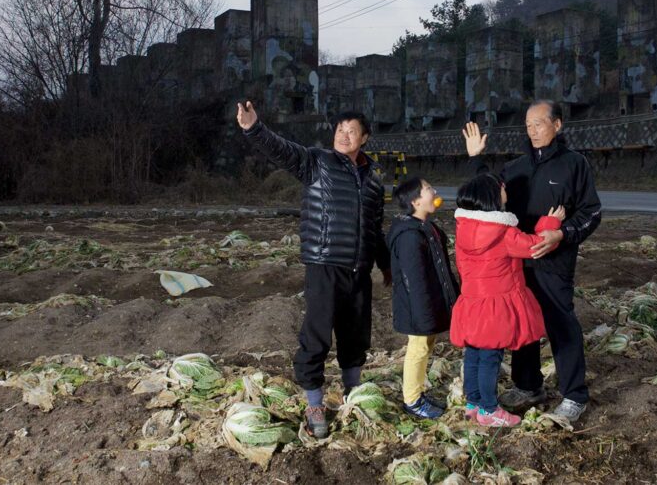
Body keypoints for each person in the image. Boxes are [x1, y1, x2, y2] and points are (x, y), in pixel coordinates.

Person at [236, 100, 391, 439]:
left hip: (359, 270)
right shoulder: (317, 162)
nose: (344, 136)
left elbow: (376, 229)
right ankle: (314, 403)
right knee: (317, 335)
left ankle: (353, 394)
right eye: (340, 130)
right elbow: (282, 150)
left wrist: (385, 265)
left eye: (352, 131)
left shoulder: (375, 182)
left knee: (356, 335)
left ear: (364, 138)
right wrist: (254, 128)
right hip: (324, 264)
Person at [462, 100, 602, 424]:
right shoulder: (517, 167)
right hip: (515, 262)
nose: (532, 130)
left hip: (554, 263)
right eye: (528, 125)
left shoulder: (574, 165)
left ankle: (574, 396)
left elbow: (591, 212)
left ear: (558, 125)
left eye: (539, 123)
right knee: (521, 326)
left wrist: (563, 234)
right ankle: (528, 386)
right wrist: (475, 158)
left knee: (560, 325)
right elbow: (486, 194)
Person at [450, 172, 565, 428]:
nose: (505, 187)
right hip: (494, 308)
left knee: (474, 355)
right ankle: (490, 410)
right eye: (500, 186)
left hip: (471, 303)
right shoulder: (502, 233)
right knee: (491, 357)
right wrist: (551, 223)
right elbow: (534, 246)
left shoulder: (465, 227)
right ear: (491, 196)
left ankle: (474, 405)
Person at [386, 177, 460, 419]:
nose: (435, 191)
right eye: (429, 189)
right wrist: (424, 316)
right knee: (417, 349)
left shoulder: (426, 227)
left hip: (426, 307)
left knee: (425, 347)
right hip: (417, 308)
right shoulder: (409, 236)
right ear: (416, 201)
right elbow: (415, 282)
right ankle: (412, 400)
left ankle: (417, 392)